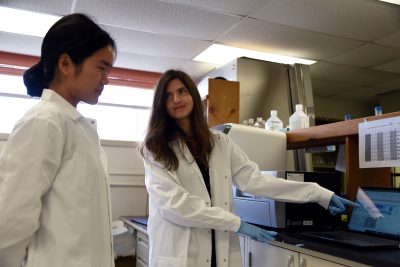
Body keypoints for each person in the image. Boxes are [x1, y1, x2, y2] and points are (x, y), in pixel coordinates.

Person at [140, 69, 357, 267]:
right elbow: (175, 205)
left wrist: (317, 192)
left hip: (220, 250)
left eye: (182, 91)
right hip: (181, 255)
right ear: (161, 103)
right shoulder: (155, 149)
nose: (176, 99)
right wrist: (236, 223)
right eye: (168, 96)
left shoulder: (220, 143)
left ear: (193, 97)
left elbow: (255, 180)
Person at [0, 13, 116, 267]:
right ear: (66, 64)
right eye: (102, 67)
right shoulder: (44, 121)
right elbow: (10, 225)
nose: (107, 79)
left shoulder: (74, 125)